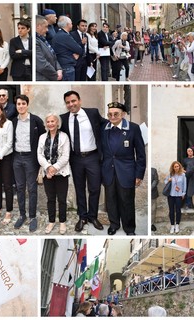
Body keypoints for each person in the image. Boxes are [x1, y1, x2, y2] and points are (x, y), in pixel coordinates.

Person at [60, 90, 105, 232]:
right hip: (76, 158)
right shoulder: (64, 118)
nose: (71, 104)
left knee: (94, 188)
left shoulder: (92, 113)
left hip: (92, 157)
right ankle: (82, 217)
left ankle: (93, 216)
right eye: (68, 102)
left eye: (73, 101)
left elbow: (107, 125)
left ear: (79, 101)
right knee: (79, 189)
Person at [101, 102, 146, 236]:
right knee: (111, 200)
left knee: (127, 201)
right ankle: (114, 224)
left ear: (123, 114)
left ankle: (129, 228)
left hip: (126, 172)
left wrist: (139, 174)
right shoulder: (104, 128)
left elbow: (141, 154)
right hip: (108, 170)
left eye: (116, 114)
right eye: (110, 114)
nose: (112, 116)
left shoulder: (133, 128)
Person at [12, 95, 45, 232]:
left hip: (31, 158)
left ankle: (32, 217)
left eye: (23, 103)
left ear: (27, 104)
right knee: (19, 187)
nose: (20, 106)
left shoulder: (36, 120)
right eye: (18, 104)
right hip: (17, 158)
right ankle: (22, 215)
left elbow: (43, 138)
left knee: (32, 188)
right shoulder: (13, 122)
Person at [37, 113, 70, 235]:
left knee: (62, 199)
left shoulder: (64, 137)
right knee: (50, 199)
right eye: (48, 122)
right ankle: (51, 221)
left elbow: (66, 156)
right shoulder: (42, 137)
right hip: (47, 173)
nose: (50, 124)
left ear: (57, 123)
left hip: (61, 173)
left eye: (53, 121)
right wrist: (48, 167)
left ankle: (62, 221)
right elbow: (39, 154)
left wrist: (54, 168)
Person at [51, 16, 82, 81]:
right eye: (71, 23)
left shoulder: (59, 34)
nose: (72, 25)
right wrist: (73, 54)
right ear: (67, 24)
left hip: (63, 65)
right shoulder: (64, 36)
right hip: (66, 67)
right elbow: (79, 49)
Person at [36, 15, 62, 81]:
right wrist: (56, 76)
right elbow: (42, 65)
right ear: (38, 27)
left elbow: (53, 56)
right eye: (46, 27)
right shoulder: (35, 41)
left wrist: (59, 69)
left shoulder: (42, 39)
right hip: (43, 78)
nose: (47, 30)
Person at [164, 160, 186, 234]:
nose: (176, 168)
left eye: (177, 166)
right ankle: (172, 225)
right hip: (171, 195)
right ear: (173, 168)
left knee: (178, 210)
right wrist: (169, 180)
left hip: (179, 195)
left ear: (179, 166)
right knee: (171, 210)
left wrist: (183, 193)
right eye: (175, 167)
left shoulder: (182, 175)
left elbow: (184, 185)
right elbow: (165, 182)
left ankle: (177, 224)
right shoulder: (171, 174)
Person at [151, 167, 159, 232]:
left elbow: (156, 180)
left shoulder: (153, 170)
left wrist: (150, 187)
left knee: (153, 210)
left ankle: (152, 224)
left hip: (153, 193)